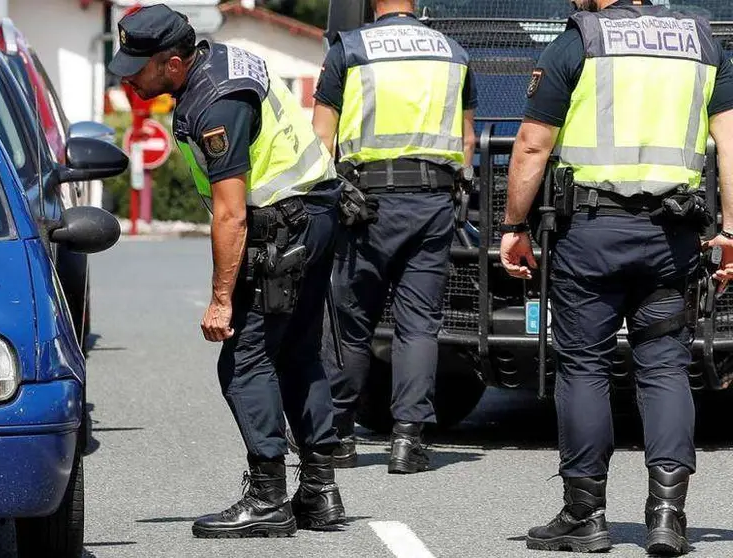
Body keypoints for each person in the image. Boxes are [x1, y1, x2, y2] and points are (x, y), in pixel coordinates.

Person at [500, 0, 733, 554]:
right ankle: (668, 517)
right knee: (665, 367)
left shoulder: (580, 39)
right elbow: (730, 141)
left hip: (591, 235)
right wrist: (732, 229)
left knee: (584, 365)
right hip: (673, 237)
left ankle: (585, 515)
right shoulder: (703, 42)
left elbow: (533, 145)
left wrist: (514, 226)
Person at [108, 3, 347, 539]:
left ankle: (267, 498)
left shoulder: (215, 102)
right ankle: (320, 491)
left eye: (137, 67)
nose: (128, 77)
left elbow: (231, 212)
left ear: (172, 64)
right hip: (315, 211)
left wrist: (220, 298)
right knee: (299, 352)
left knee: (243, 362)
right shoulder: (221, 62)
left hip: (281, 226)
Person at [303, 0, 477, 474]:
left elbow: (322, 135)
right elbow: (467, 139)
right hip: (433, 202)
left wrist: (326, 197)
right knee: (419, 323)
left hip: (365, 205)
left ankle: (339, 436)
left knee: (350, 321)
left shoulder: (350, 48)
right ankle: (408, 440)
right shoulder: (453, 52)